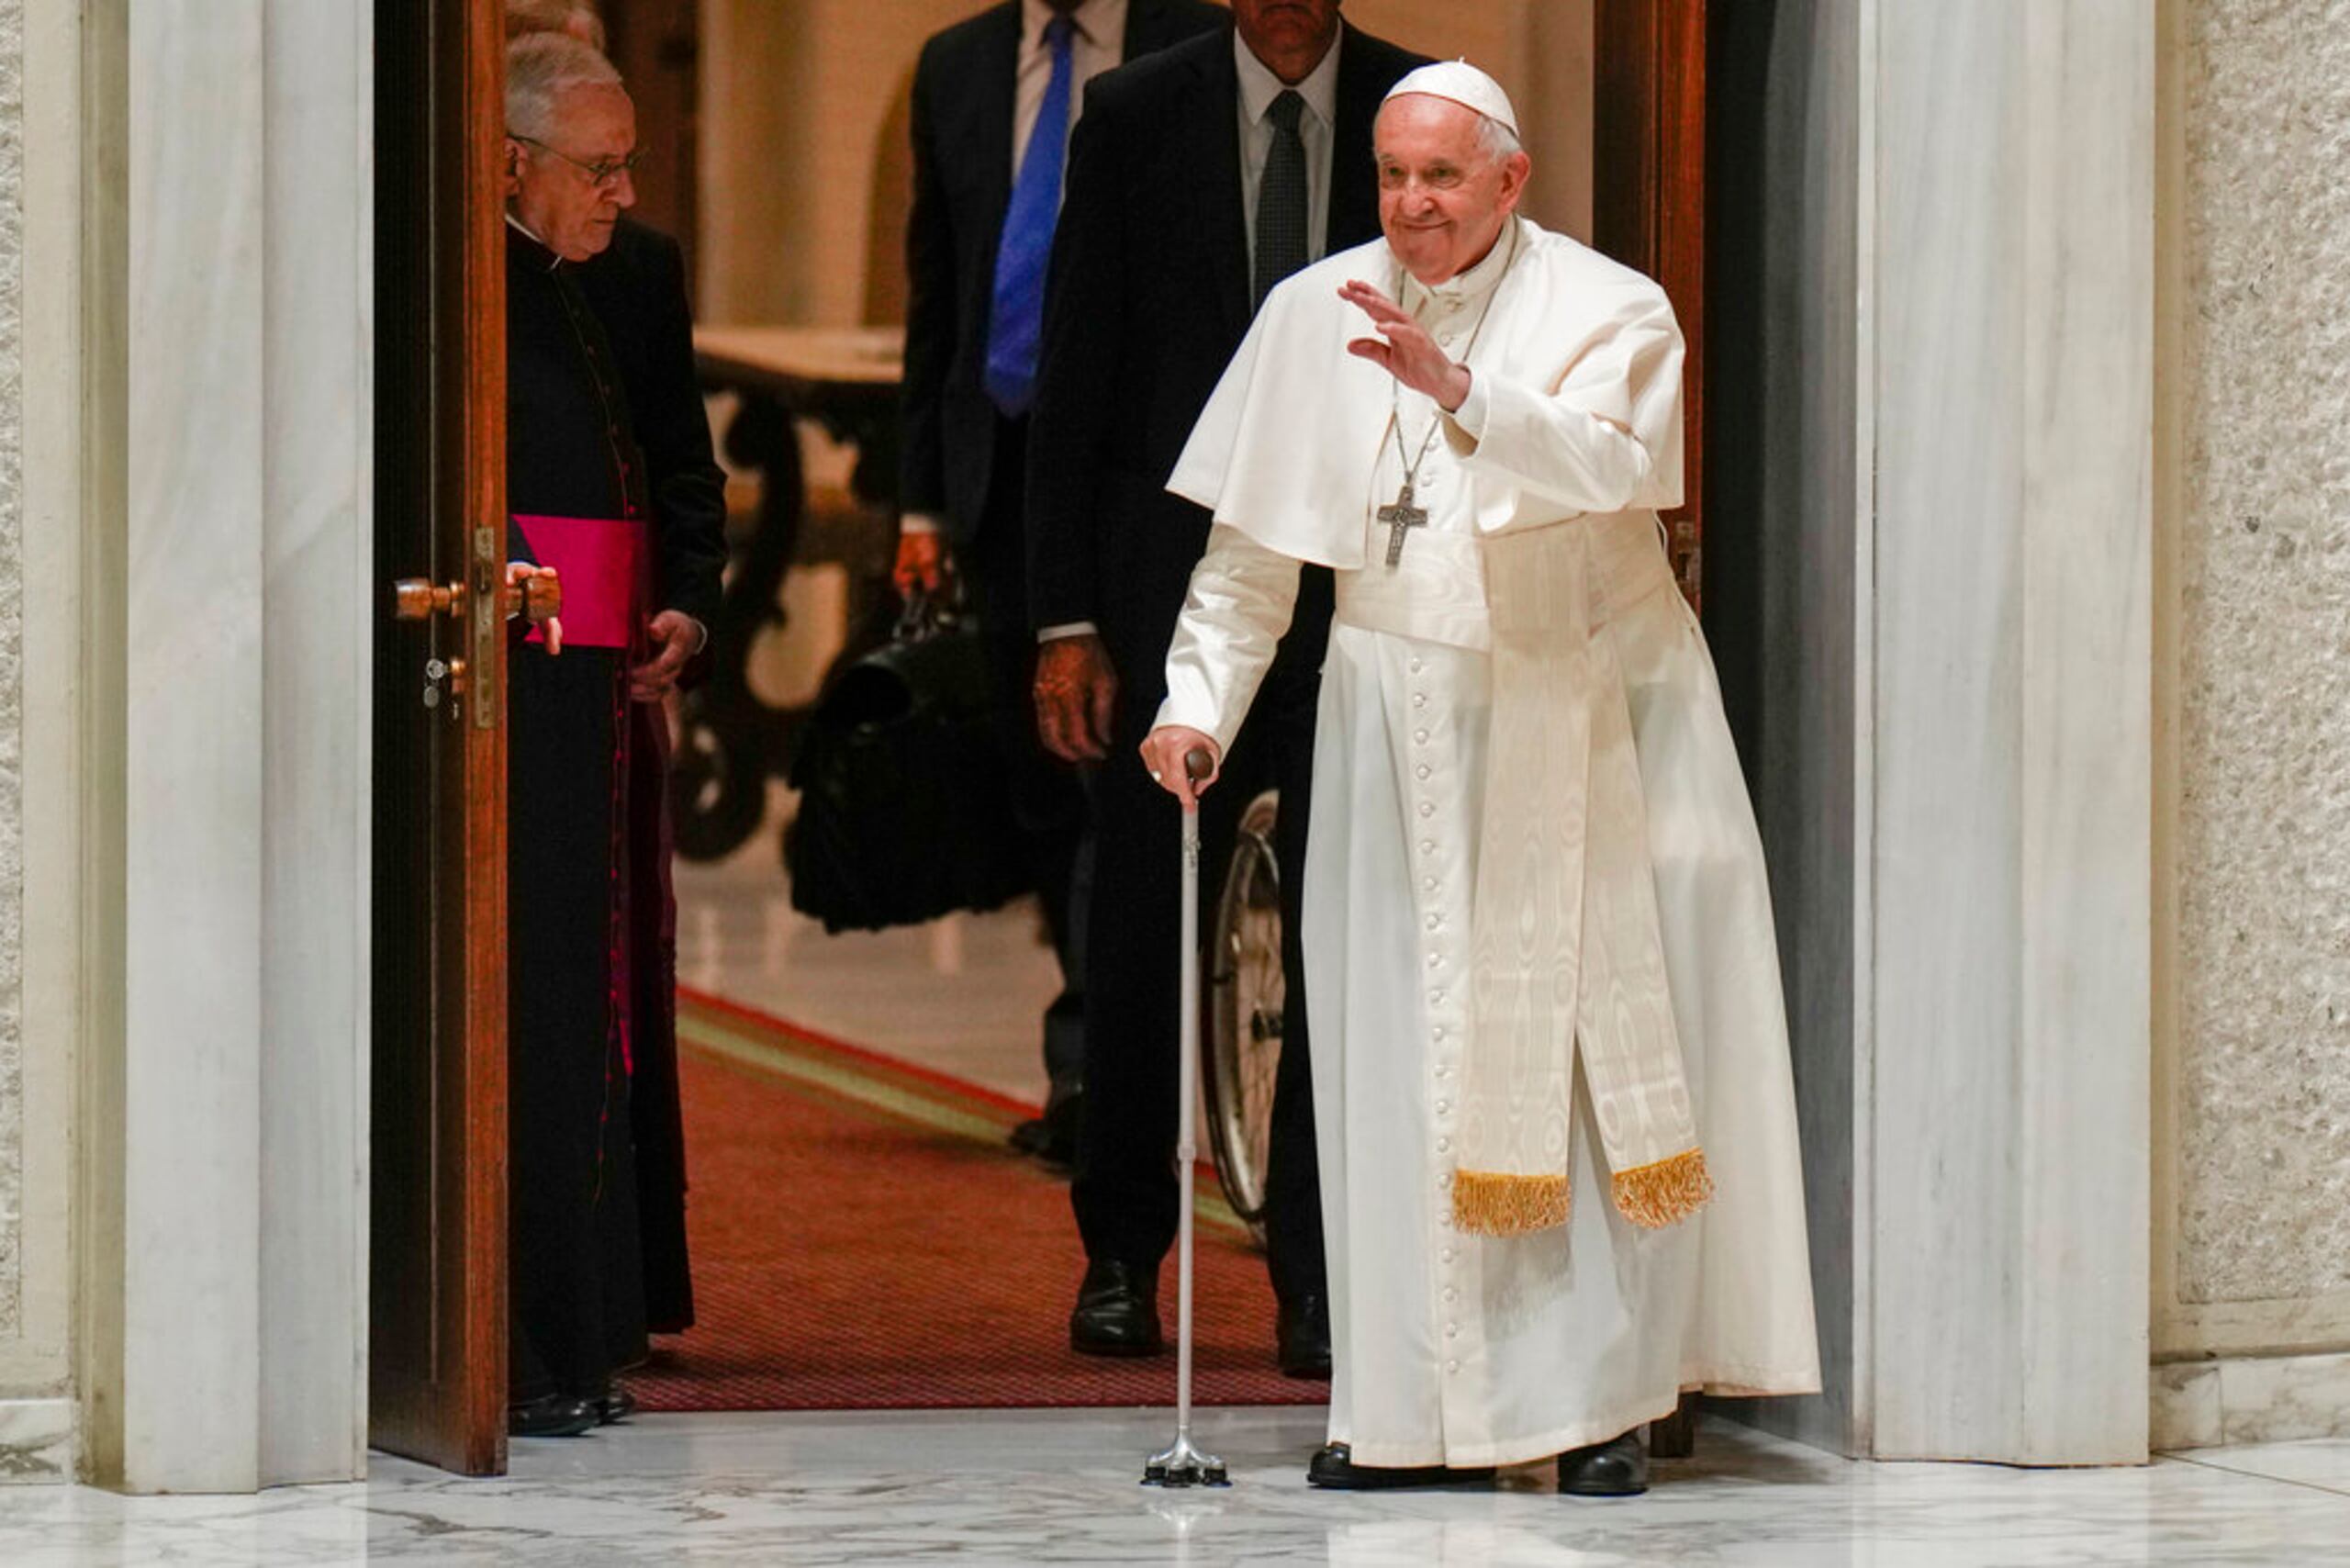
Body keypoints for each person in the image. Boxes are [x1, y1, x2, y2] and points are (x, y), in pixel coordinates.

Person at [1141, 62, 1821, 1494]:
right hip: (1389, 732)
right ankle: (1408, 1416)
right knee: (1392, 1062)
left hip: (1577, 714)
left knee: (1579, 1081)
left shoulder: (1610, 307)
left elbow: (1616, 465)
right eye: (1391, 176)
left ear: (1510, 181)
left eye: (1440, 178)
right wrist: (1195, 706)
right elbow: (1252, 560)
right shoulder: (1310, 315)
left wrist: (1460, 388)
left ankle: (1594, 1410)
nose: (1409, 206)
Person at [1024, 0, 1426, 1375]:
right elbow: (1073, 376)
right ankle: (1123, 1255)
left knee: (1338, 927)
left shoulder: (1413, 106)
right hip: (1166, 586)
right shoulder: (1139, 113)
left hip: (1369, 586)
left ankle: (1316, 1270)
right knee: (1146, 923)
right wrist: (1067, 615)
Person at [896, 0, 1225, 1170]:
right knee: (1043, 778)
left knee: (1127, 780)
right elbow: (937, 287)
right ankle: (1087, 1045)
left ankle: (1103, 1069)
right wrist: (923, 498)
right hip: (1000, 467)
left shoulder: (1198, 36)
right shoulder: (955, 63)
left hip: (1153, 472)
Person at [500, 31, 724, 1439]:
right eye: (599, 166)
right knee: (541, 998)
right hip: (514, 693)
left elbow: (678, 464)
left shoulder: (629, 275)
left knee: (610, 996)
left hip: (609, 696)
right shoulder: (462, 288)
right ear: (511, 165)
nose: (623, 191)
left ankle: (600, 1319)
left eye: (631, 161)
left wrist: (684, 610)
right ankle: (530, 1335)